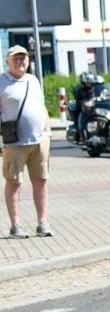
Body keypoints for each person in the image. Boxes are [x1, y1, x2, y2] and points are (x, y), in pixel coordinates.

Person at [2, 44, 51, 238]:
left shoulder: (33, 80)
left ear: (28, 61)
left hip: (39, 142)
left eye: (23, 58)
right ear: (8, 61)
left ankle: (43, 223)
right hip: (14, 143)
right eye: (16, 58)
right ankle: (16, 226)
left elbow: (41, 106)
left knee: (41, 181)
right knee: (14, 183)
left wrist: (47, 131)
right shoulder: (1, 82)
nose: (20, 61)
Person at [72, 71, 98, 143]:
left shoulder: (96, 88)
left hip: (96, 109)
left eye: (90, 82)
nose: (89, 83)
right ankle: (82, 135)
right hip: (85, 110)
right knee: (82, 117)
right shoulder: (80, 90)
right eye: (87, 82)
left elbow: (102, 95)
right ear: (83, 82)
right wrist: (83, 103)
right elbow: (79, 100)